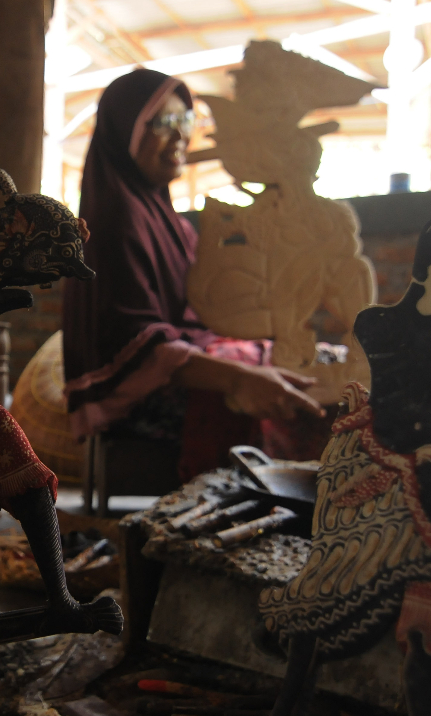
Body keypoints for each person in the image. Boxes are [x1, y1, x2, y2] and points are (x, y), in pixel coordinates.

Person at [62, 69, 324, 477]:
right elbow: (136, 341)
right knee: (258, 374)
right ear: (126, 131)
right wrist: (238, 379)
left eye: (187, 121)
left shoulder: (171, 222)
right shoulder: (113, 221)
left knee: (319, 361)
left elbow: (207, 311)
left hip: (181, 367)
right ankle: (257, 508)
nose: (181, 135)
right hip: (139, 398)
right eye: (165, 122)